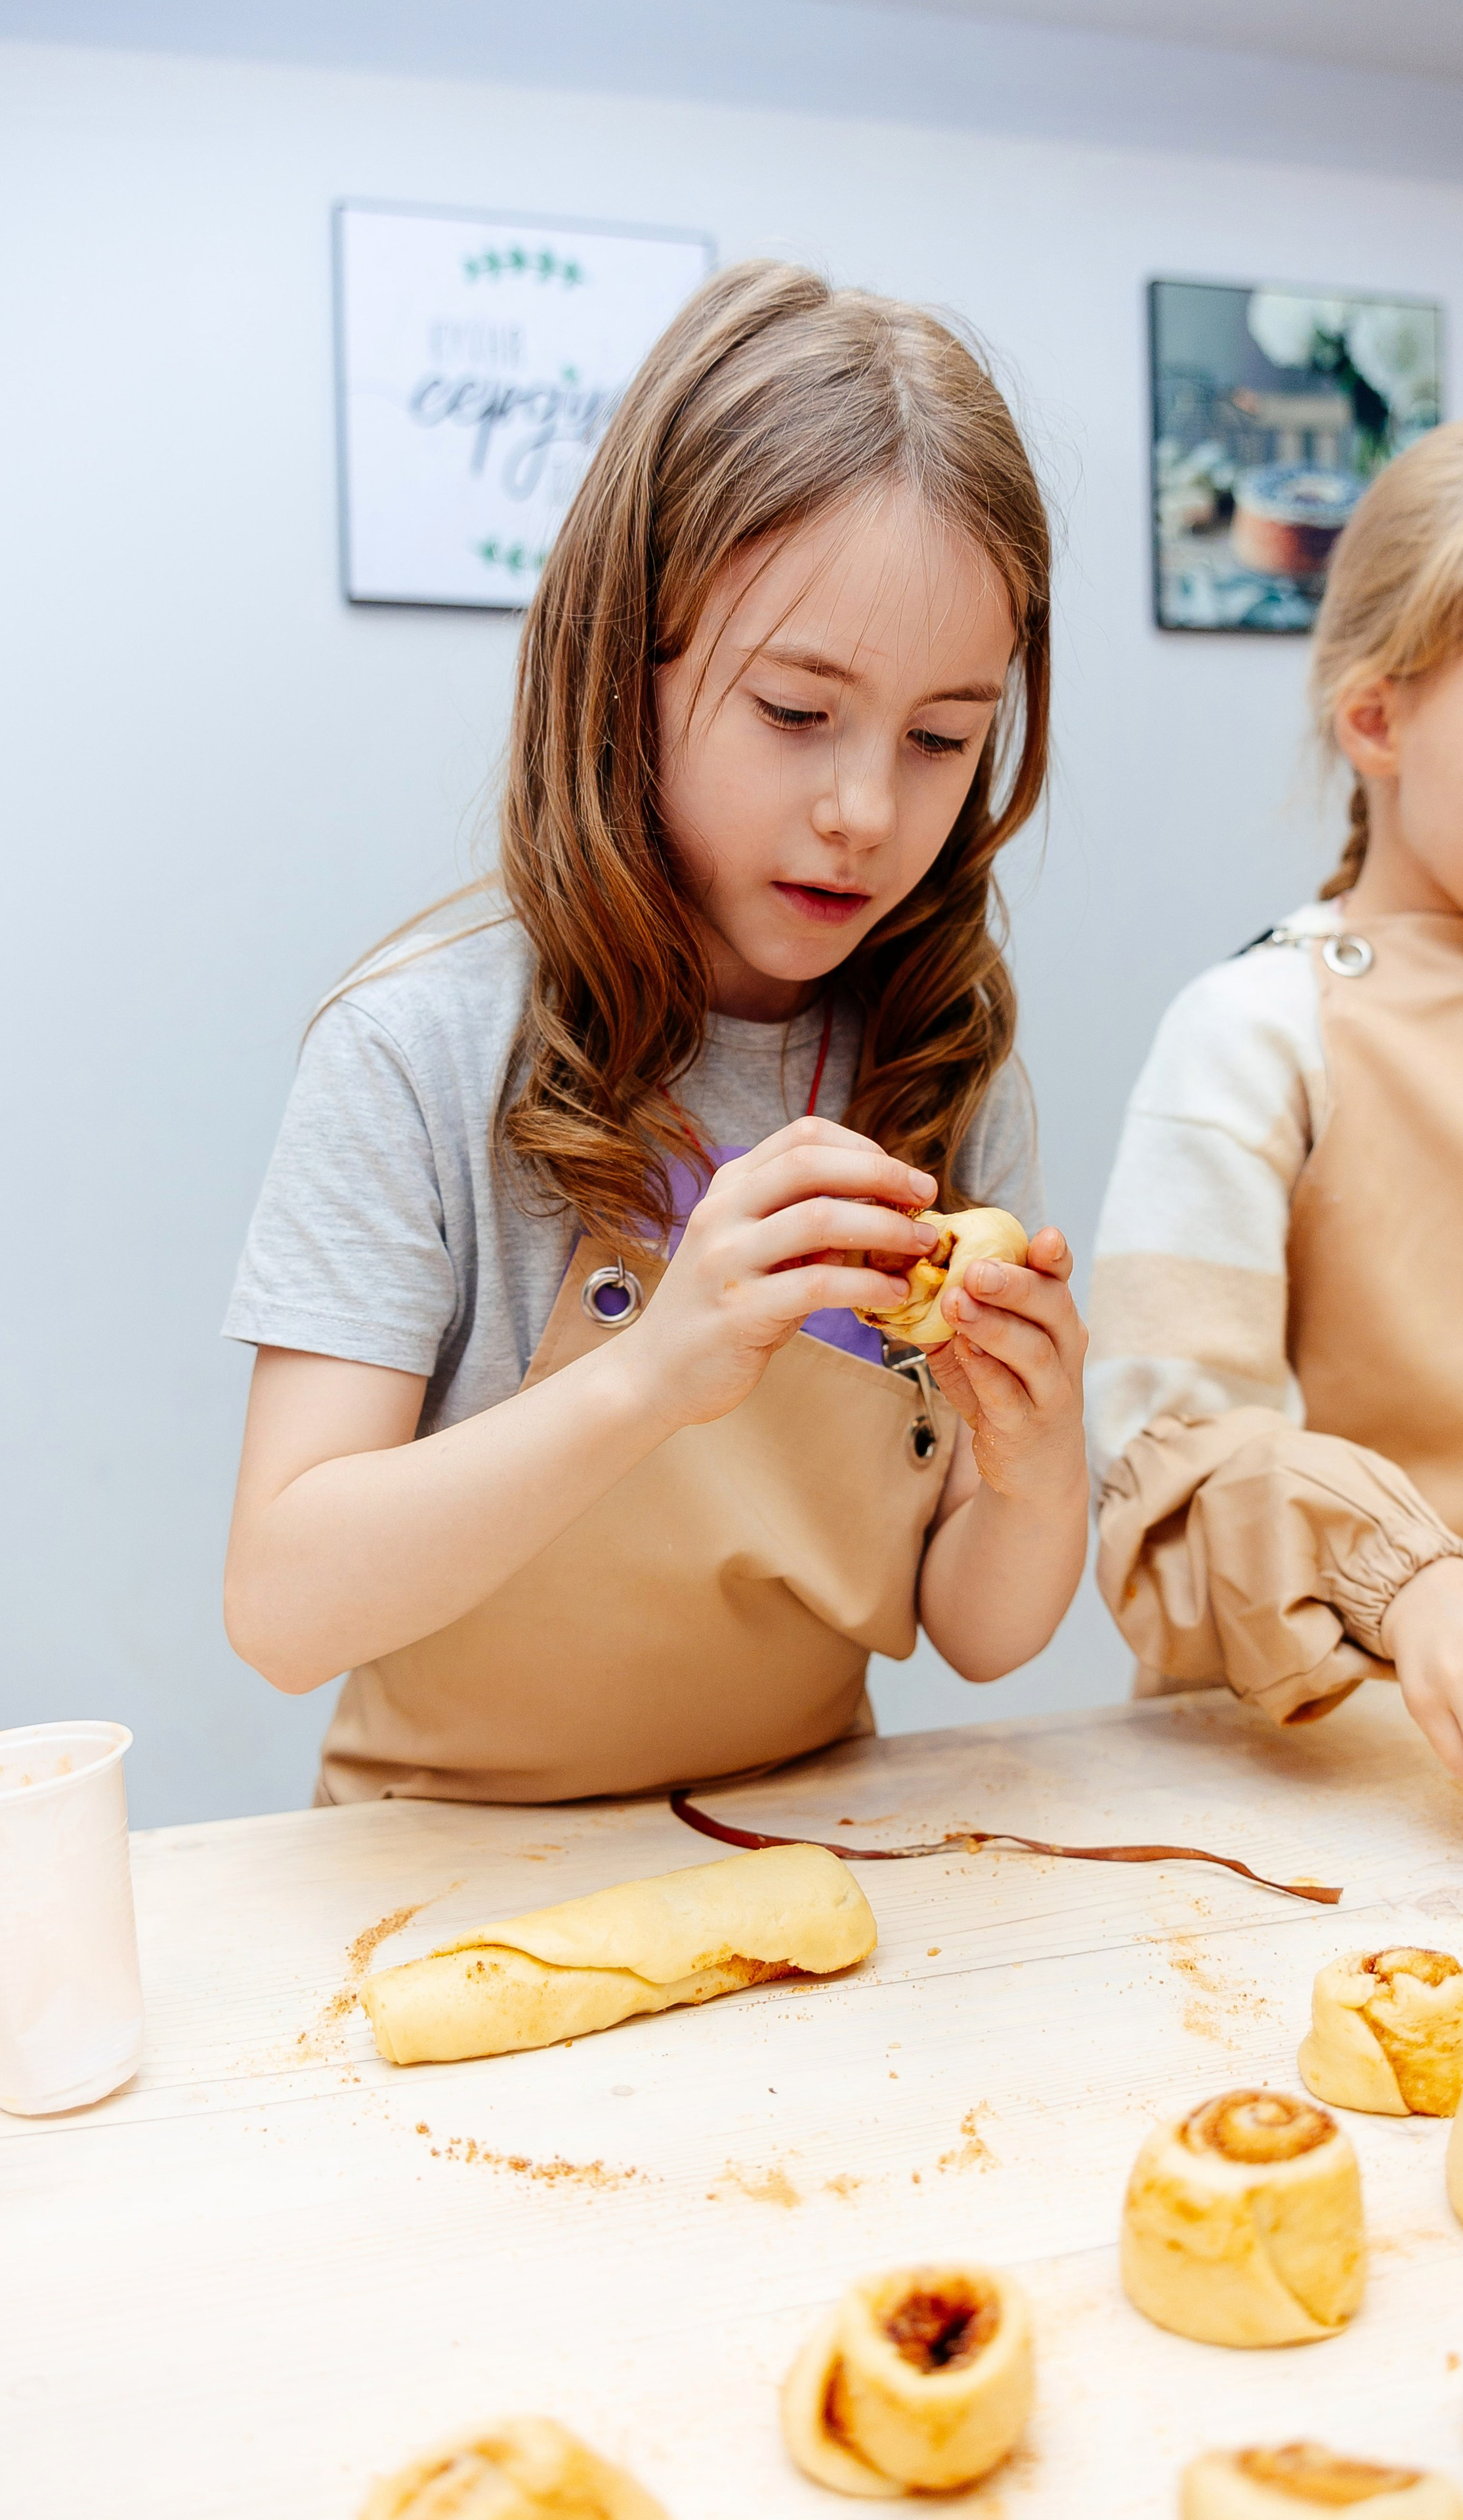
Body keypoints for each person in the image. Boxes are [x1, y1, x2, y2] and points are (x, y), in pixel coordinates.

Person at [223, 262, 1088, 1807]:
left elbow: (980, 1630)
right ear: (626, 668)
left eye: (941, 738)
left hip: (809, 1844)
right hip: (447, 1860)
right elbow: (283, 1609)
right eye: (795, 713)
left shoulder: (939, 1066)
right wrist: (648, 1376)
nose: (865, 811)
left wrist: (1037, 1459)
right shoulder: (416, 1053)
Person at [1090, 396, 1463, 1857]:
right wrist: (1407, 1582)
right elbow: (1162, 1484)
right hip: (1322, 1767)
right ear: (1375, 718)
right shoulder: (1248, 1037)